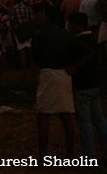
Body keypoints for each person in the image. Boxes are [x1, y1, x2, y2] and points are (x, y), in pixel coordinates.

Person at [31, 9, 76, 162]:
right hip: (64, 74)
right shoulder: (68, 36)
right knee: (66, 115)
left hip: (47, 73)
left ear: (48, 19)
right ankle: (69, 157)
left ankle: (42, 158)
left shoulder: (39, 35)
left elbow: (35, 57)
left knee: (43, 116)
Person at [67, 12, 107, 165]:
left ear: (79, 25)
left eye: (71, 23)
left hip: (82, 85)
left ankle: (90, 157)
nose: (69, 26)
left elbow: (88, 55)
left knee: (84, 122)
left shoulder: (78, 41)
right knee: (99, 118)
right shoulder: (92, 38)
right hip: (94, 84)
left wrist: (75, 67)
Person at [10, 0, 33, 74]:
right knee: (29, 49)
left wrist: (12, 33)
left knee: (22, 50)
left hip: (19, 30)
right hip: (27, 29)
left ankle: (24, 71)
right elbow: (31, 19)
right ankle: (32, 69)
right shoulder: (27, 8)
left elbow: (12, 21)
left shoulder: (13, 9)